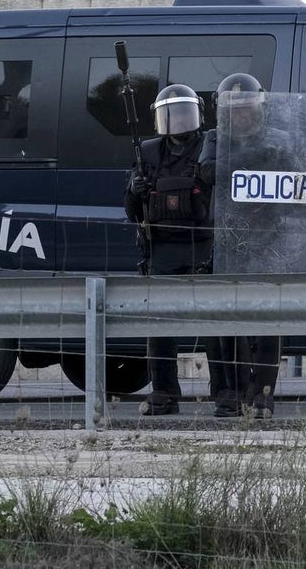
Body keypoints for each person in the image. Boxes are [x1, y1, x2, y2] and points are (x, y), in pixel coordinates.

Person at [124, 83, 222, 416]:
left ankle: (223, 393)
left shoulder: (210, 146)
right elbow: (132, 212)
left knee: (214, 324)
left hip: (202, 246)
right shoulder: (149, 153)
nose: (178, 121)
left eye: (183, 113)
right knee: (160, 326)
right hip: (163, 248)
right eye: (171, 114)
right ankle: (164, 394)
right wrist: (135, 190)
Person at [213, 72, 284, 419]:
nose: (241, 115)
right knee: (229, 323)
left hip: (268, 243)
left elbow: (302, 187)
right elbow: (209, 176)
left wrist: (275, 158)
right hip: (229, 244)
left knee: (267, 324)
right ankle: (233, 393)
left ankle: (263, 395)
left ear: (260, 110)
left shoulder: (279, 142)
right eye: (234, 110)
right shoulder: (215, 142)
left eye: (247, 109)